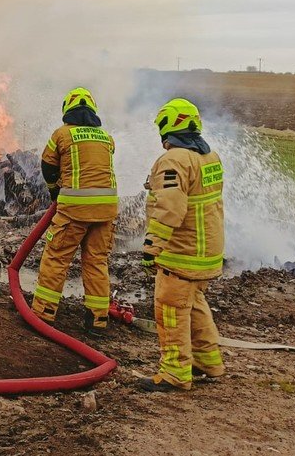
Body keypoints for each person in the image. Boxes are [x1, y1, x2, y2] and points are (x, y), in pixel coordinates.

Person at [138, 98, 225, 392]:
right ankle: (208, 361)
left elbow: (169, 209)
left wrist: (152, 247)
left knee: (171, 309)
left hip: (182, 253)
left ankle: (175, 372)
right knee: (196, 306)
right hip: (206, 252)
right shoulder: (209, 157)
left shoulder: (173, 160)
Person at [31, 87, 119, 333]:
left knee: (57, 258)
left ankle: (43, 314)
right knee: (97, 262)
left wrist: (53, 191)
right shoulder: (106, 138)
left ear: (67, 110)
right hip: (106, 211)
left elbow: (48, 165)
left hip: (75, 210)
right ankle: (98, 320)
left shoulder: (62, 134)